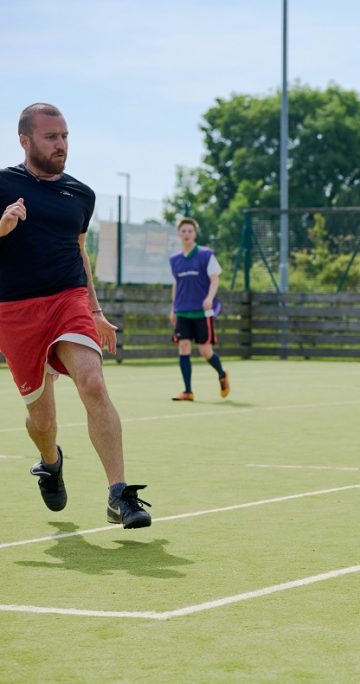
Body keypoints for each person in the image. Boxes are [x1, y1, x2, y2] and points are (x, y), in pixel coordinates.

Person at [0, 103, 151, 528]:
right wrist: (3, 226)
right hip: (15, 309)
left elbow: (80, 253)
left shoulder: (81, 194)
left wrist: (96, 311)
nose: (61, 144)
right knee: (42, 419)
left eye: (65, 136)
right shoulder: (2, 185)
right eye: (51, 137)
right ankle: (50, 462)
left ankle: (119, 495)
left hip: (68, 300)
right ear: (25, 140)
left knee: (92, 382)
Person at [169, 217, 230, 401]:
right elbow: (176, 285)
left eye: (190, 231)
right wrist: (173, 308)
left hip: (202, 312)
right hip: (182, 311)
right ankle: (188, 391)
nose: (187, 234)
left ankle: (222, 373)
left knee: (205, 351)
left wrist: (210, 297)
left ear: (195, 234)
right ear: (179, 234)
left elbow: (215, 278)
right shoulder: (174, 260)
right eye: (183, 231)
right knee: (184, 346)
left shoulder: (206, 255)